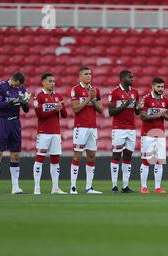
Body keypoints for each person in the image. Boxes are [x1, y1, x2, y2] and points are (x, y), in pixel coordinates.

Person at [0, 71, 30, 195]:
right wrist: (12, 102)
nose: (17, 87)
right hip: (2, 122)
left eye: (19, 86)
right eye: (16, 85)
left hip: (15, 123)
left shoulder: (21, 88)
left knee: (16, 155)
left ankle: (15, 187)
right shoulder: (0, 86)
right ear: (12, 80)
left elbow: (26, 110)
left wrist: (24, 102)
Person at [69, 66, 103, 194]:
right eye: (86, 74)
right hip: (80, 127)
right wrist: (88, 98)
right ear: (80, 76)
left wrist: (93, 99)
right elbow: (76, 109)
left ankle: (89, 187)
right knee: (77, 156)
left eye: (90, 74)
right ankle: (73, 187)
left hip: (92, 128)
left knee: (91, 156)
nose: (89, 76)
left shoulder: (95, 90)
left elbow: (100, 110)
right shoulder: (75, 90)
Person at [32, 72, 67, 195]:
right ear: (43, 82)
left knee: (55, 159)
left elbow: (65, 115)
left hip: (56, 132)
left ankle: (55, 188)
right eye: (50, 81)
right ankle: (37, 188)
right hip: (44, 132)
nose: (52, 83)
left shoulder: (58, 96)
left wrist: (61, 108)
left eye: (53, 81)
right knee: (40, 158)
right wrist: (54, 109)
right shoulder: (38, 97)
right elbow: (40, 115)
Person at [108, 70, 140, 193]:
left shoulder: (134, 92)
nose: (132, 78)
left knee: (128, 156)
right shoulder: (114, 92)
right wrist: (126, 104)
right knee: (116, 155)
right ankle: (114, 185)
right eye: (129, 77)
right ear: (122, 78)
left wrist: (138, 108)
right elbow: (111, 112)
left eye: (132, 76)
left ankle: (125, 186)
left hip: (131, 129)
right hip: (119, 128)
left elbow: (136, 112)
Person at [139, 77, 168, 193]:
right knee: (146, 160)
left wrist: (164, 115)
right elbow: (142, 116)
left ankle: (157, 187)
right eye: (158, 86)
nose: (160, 89)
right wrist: (159, 114)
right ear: (152, 86)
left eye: (162, 87)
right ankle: (144, 187)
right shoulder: (146, 99)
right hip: (147, 134)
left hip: (160, 134)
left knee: (159, 160)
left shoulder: (166, 101)